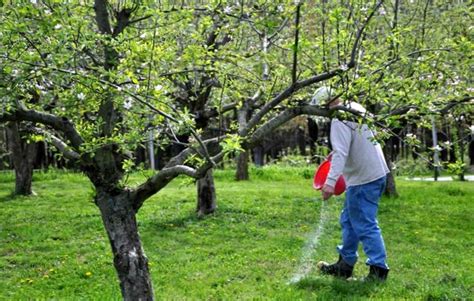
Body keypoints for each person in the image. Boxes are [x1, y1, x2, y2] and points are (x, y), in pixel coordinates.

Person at [312, 86, 390, 281]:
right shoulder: (354, 108)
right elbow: (353, 142)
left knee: (364, 223)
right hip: (373, 174)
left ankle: (378, 269)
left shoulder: (339, 118)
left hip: (364, 178)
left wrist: (330, 183)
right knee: (349, 220)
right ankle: (345, 264)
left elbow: (341, 152)